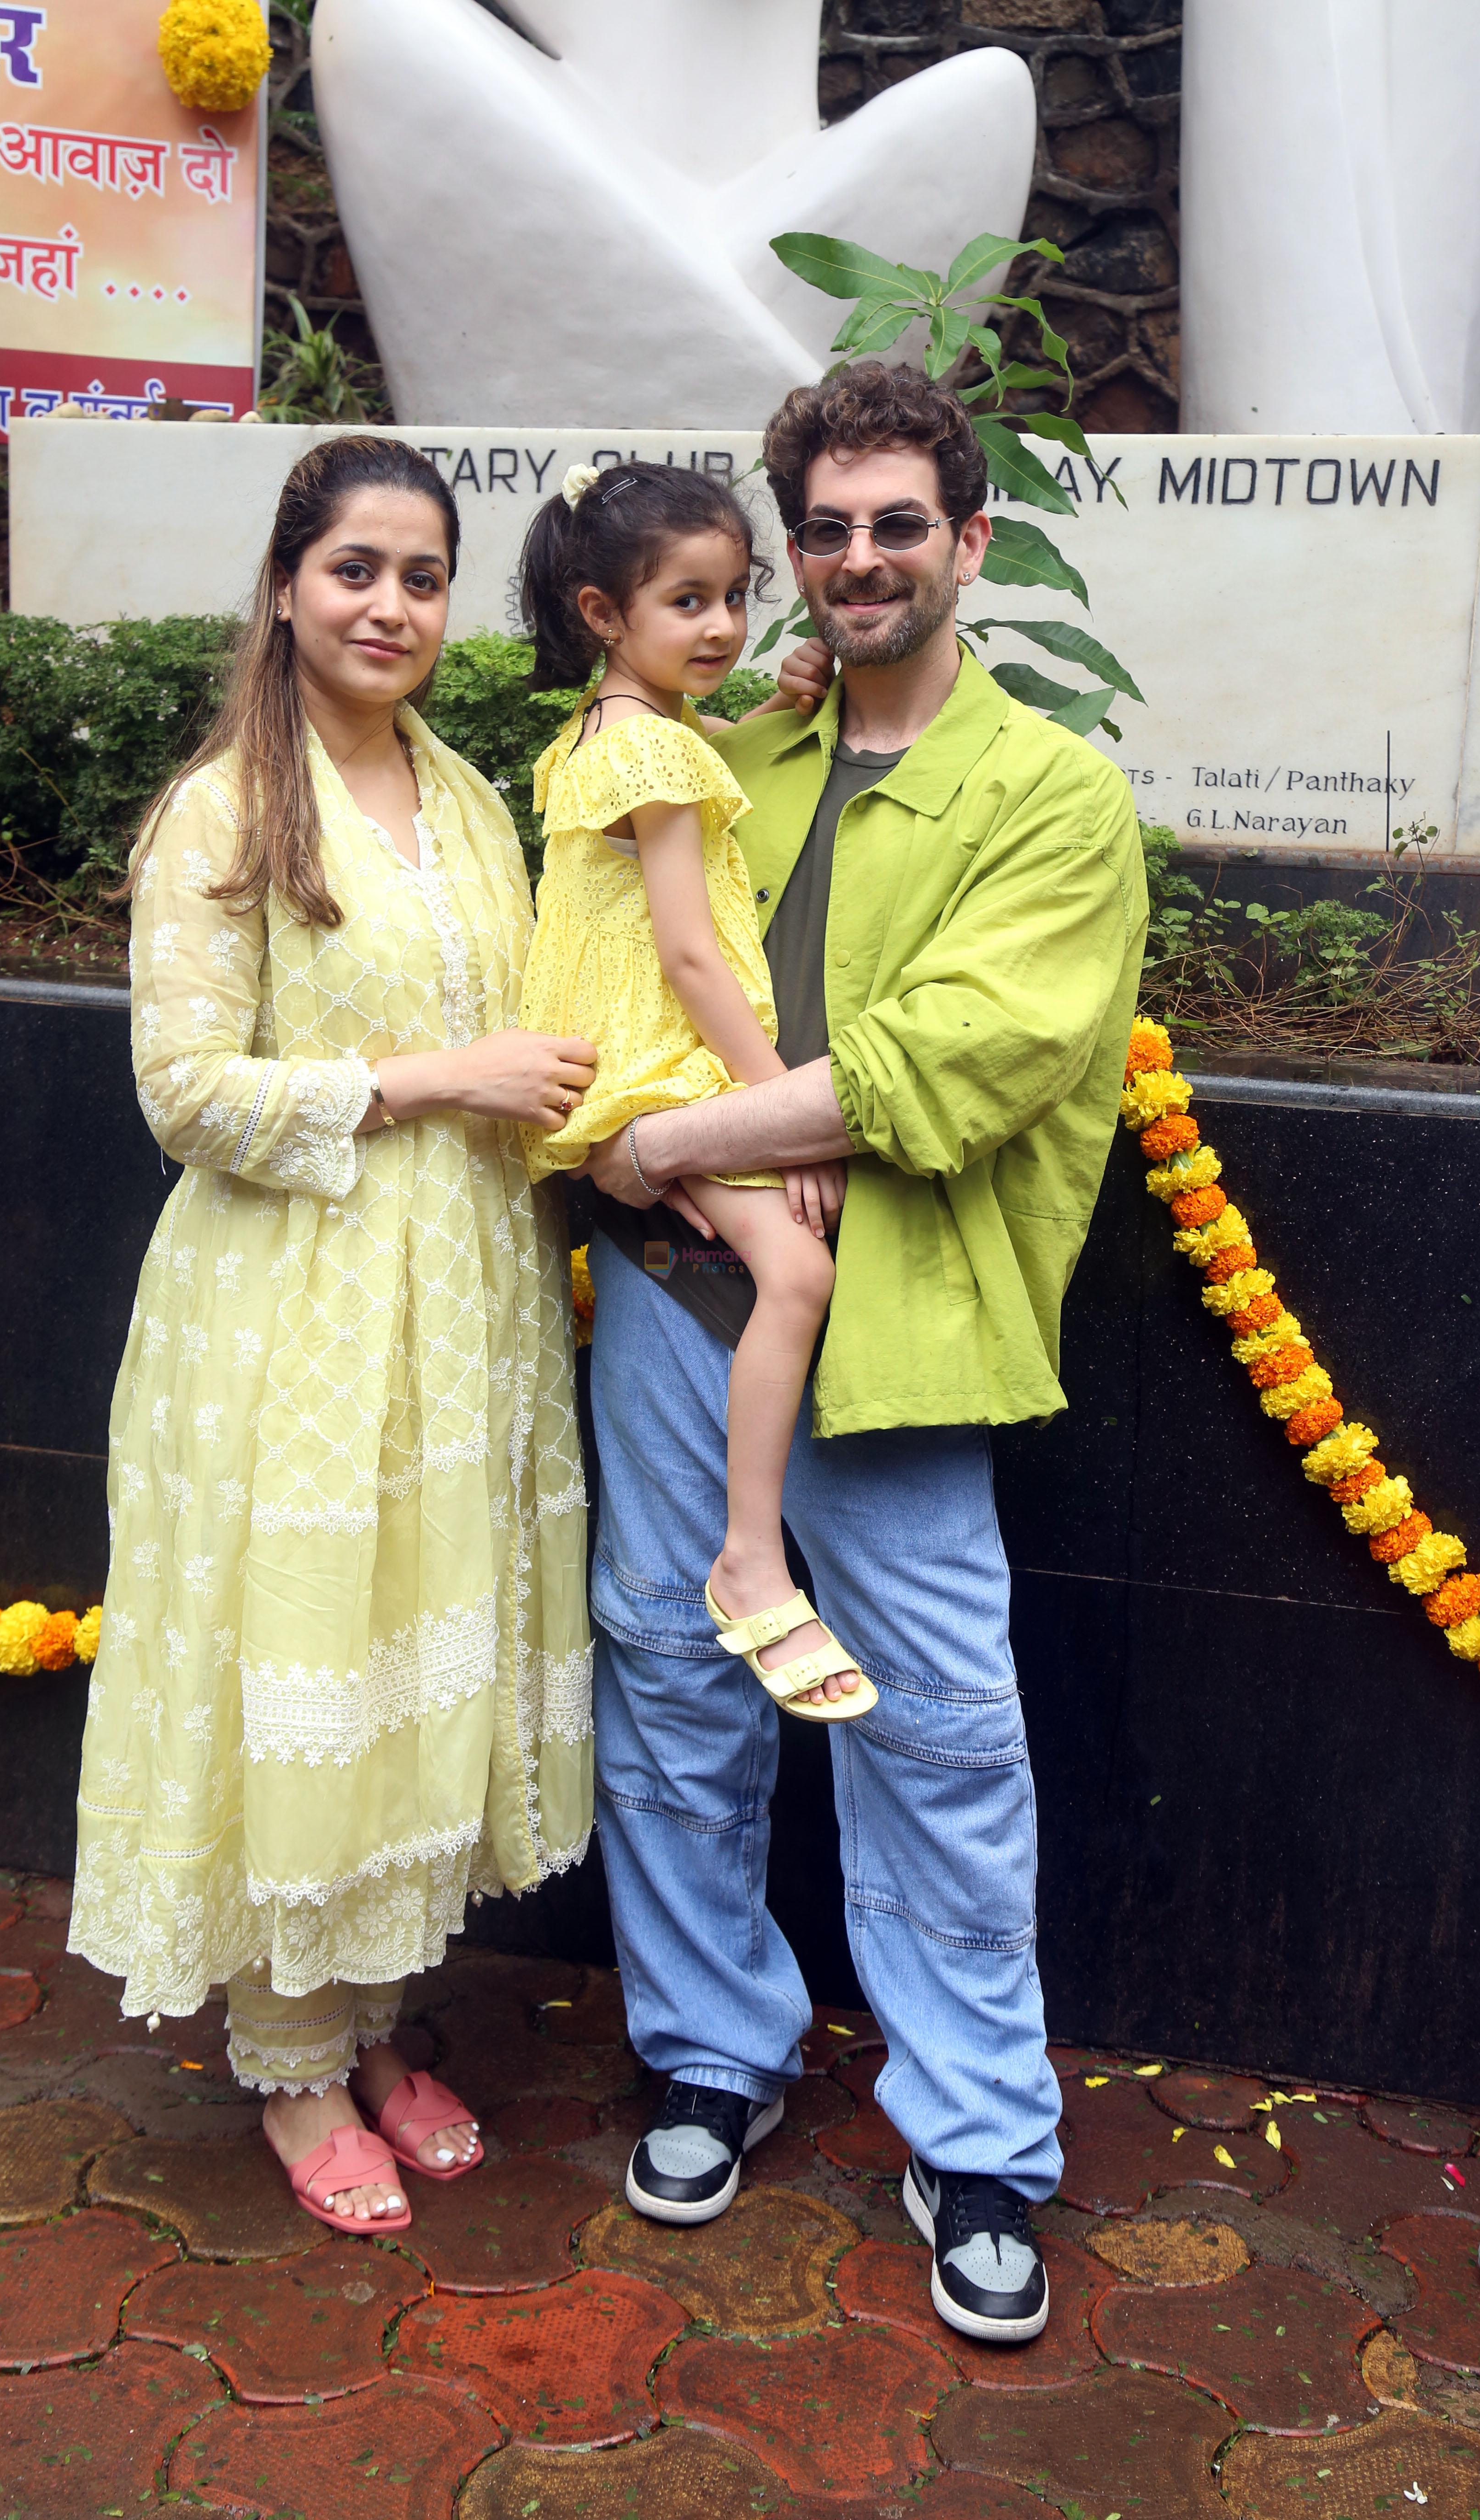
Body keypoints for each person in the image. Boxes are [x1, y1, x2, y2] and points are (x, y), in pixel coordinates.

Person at [582, 361, 1148, 2343]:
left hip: (898, 1327)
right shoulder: (751, 752)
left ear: (970, 543)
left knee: (935, 1728)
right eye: (821, 527)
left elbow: (956, 1069)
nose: (854, 558)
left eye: (898, 521)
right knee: (668, 1668)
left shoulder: (1055, 797)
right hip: (677, 1306)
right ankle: (709, 2051)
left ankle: (979, 2135)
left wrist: (666, 1145)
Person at [67, 436, 597, 2235]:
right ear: (289, 582)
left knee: (410, 1661)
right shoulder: (226, 812)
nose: (391, 605)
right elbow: (184, 1091)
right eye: (357, 567)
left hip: (458, 1308)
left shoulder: (462, 797)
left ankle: (375, 2024)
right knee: (309, 1658)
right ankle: (292, 2075)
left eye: (424, 575)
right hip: (295, 1316)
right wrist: (430, 1079)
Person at [517, 459, 872, 1729]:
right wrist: (778, 1103)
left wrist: (782, 702)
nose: (722, 627)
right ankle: (751, 1555)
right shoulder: (649, 755)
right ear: (605, 612)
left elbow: (734, 769)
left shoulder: (627, 735)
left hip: (637, 1068)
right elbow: (686, 955)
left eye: (735, 597)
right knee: (799, 1275)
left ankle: (744, 1551)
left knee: (785, 1276)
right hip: (660, 1062)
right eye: (688, 603)